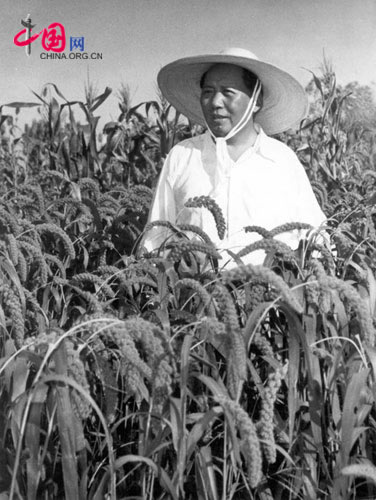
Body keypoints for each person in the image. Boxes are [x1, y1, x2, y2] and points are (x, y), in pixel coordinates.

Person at [142, 47, 326, 268]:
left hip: (269, 298)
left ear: (256, 100)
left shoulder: (283, 161)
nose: (215, 102)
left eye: (228, 92)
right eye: (208, 92)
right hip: (194, 297)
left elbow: (317, 241)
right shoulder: (182, 157)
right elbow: (155, 240)